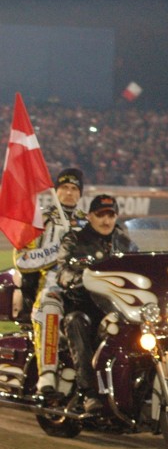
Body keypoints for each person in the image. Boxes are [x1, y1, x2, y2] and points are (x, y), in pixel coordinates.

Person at [56, 194, 137, 412]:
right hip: (84, 307)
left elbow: (143, 268)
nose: (106, 220)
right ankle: (87, 393)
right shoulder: (74, 240)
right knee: (77, 321)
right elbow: (61, 271)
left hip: (119, 309)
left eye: (110, 215)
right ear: (90, 216)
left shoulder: (125, 243)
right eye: (100, 215)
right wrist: (80, 279)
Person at [13, 168, 88, 393]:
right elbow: (22, 260)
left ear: (80, 194)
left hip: (86, 287)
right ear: (56, 190)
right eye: (64, 188)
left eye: (74, 189)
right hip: (52, 285)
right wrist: (58, 251)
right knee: (49, 306)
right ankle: (46, 374)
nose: (69, 192)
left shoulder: (89, 222)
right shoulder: (41, 221)